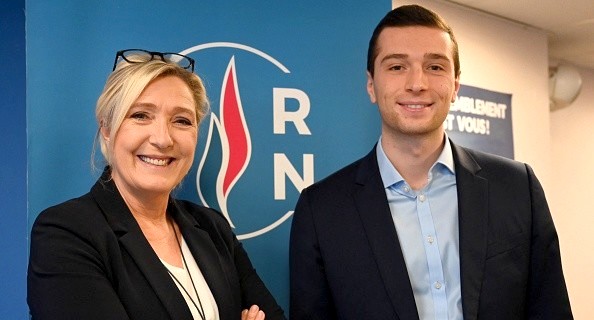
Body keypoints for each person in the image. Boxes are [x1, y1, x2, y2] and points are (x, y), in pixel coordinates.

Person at [289, 5, 573, 320]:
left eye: (435, 67)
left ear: (455, 85)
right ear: (372, 85)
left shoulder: (517, 188)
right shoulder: (323, 209)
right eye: (397, 67)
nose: (417, 83)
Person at [28, 49, 286, 320]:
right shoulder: (66, 232)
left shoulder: (213, 228)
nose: (163, 139)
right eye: (140, 115)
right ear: (106, 128)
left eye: (182, 120)